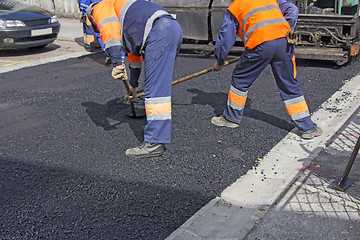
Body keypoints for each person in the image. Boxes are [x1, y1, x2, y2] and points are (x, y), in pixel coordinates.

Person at [211, 0, 322, 140]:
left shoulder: (235, 7)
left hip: (260, 42)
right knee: (289, 84)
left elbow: (226, 36)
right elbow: (292, 9)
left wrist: (220, 60)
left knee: (240, 79)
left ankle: (231, 119)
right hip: (284, 41)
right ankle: (308, 127)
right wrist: (287, 30)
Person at [86, 0, 183, 158]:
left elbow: (109, 33)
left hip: (159, 32)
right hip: (171, 28)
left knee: (155, 91)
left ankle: (155, 143)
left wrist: (117, 63)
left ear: (92, 18)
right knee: (158, 85)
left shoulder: (99, 7)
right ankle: (155, 129)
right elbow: (135, 56)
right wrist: (133, 85)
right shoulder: (127, 17)